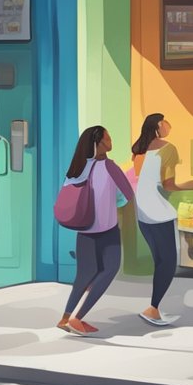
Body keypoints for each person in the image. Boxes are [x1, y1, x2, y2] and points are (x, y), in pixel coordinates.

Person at [58, 126, 134, 336]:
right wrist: (110, 202)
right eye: (108, 138)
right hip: (106, 228)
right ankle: (77, 318)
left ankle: (65, 318)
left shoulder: (77, 167)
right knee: (110, 269)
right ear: (98, 142)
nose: (111, 141)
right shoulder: (109, 166)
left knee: (83, 275)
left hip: (83, 228)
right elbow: (127, 195)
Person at [130, 113, 193, 327]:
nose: (170, 125)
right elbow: (169, 185)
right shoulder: (168, 149)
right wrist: (192, 184)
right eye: (167, 121)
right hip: (159, 211)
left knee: (159, 260)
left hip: (142, 211)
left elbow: (144, 179)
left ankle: (154, 307)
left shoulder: (138, 150)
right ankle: (152, 309)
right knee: (168, 262)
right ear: (160, 124)